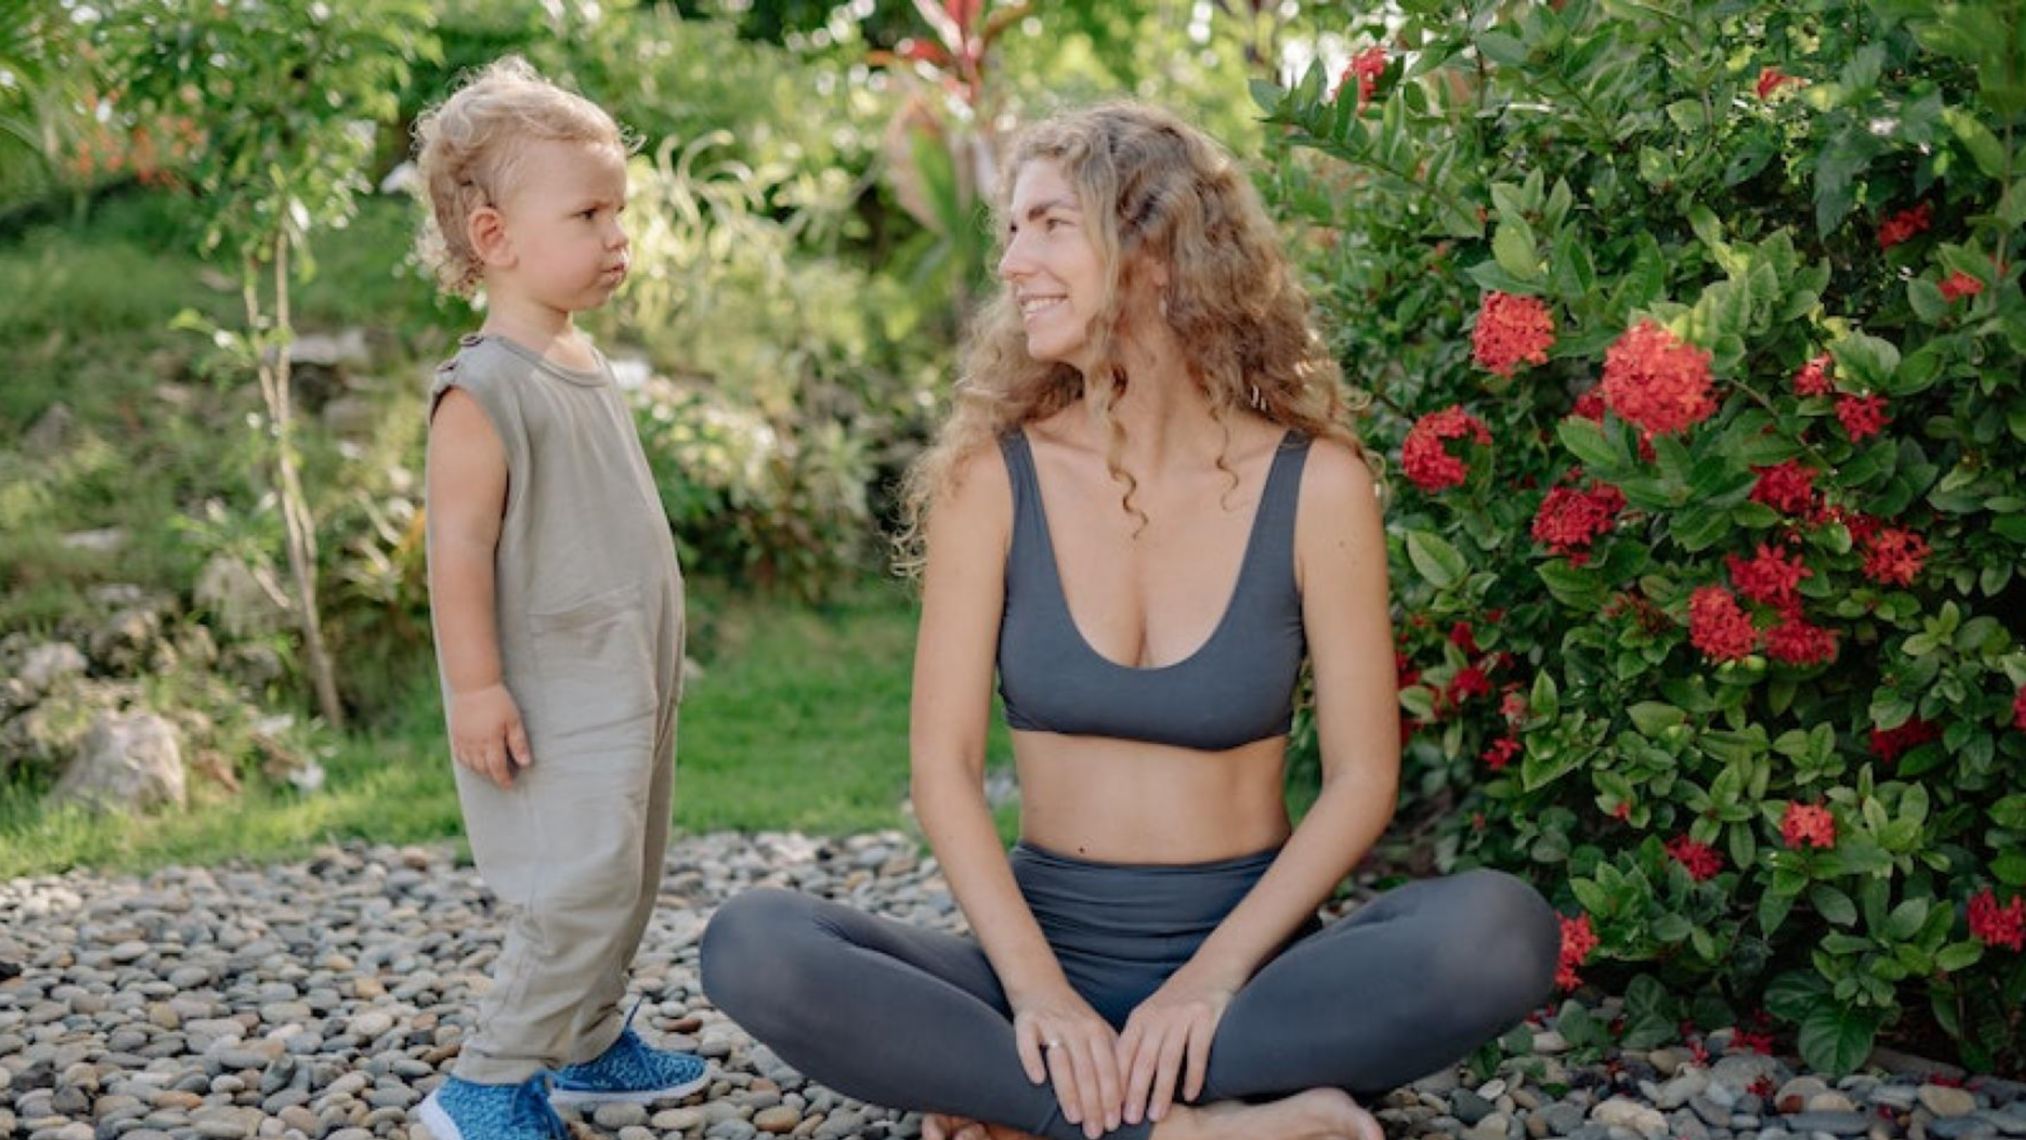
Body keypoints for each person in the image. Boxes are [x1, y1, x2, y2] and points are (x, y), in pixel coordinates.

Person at [700, 102, 1559, 1140]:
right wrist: (1038, 996)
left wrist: (1206, 983)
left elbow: (1362, 781)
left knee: (1499, 932)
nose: (1013, 262)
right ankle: (1195, 1126)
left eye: (1049, 225)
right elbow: (942, 772)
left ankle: (1042, 1107)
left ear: (1154, 249)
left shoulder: (1314, 483)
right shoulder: (994, 477)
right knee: (755, 942)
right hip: (1038, 955)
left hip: (1250, 978)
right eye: (1011, 230)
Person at [411, 56, 707, 1140]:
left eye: (620, 208)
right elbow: (457, 552)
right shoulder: (485, 388)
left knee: (627, 869)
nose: (617, 232)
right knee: (576, 882)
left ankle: (584, 1044)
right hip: (549, 691)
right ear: (495, 238)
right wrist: (478, 688)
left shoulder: (579, 357)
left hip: (623, 677)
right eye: (589, 211)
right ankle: (484, 1080)